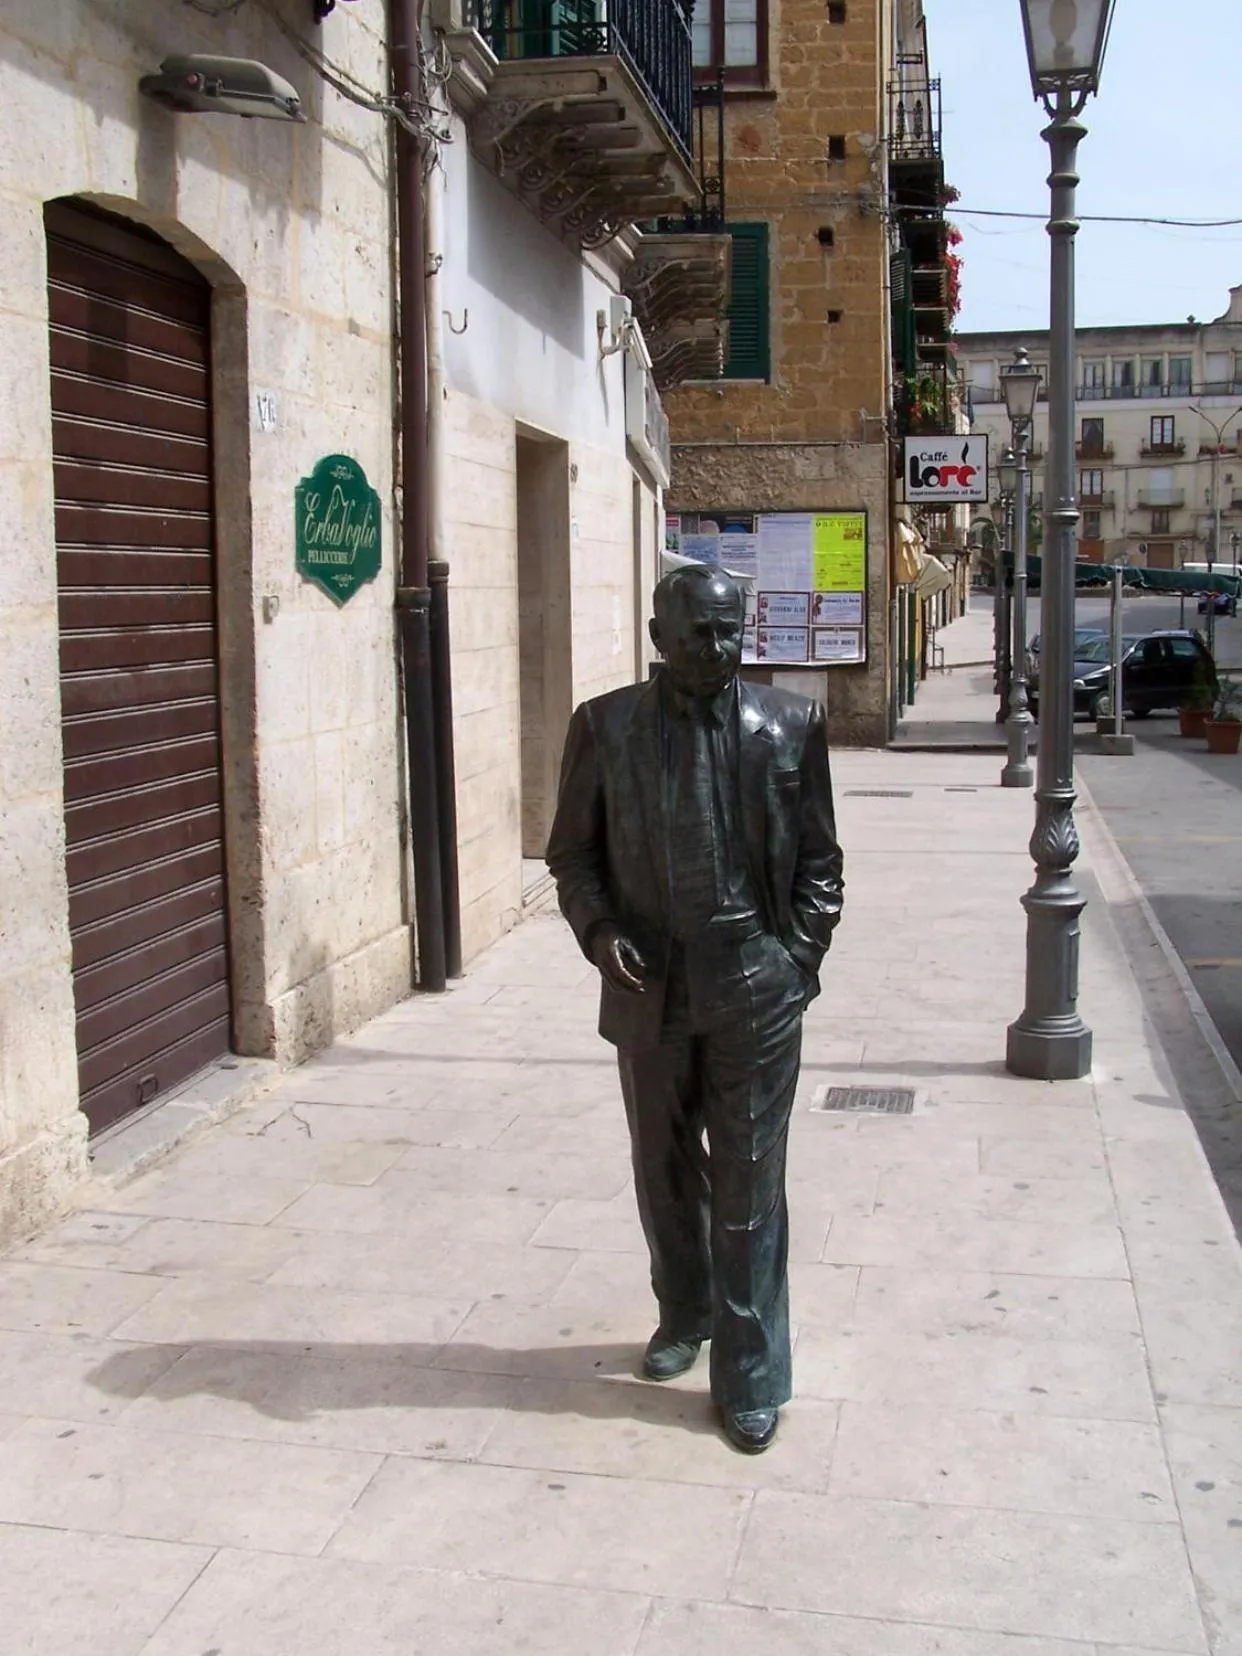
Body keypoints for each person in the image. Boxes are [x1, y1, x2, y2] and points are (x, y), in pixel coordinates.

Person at [545, 564, 844, 1453]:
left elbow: (820, 862)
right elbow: (572, 856)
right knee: (664, 1169)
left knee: (749, 1182)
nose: (717, 649)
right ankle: (685, 1310)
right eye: (698, 633)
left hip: (755, 979)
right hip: (650, 987)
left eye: (728, 631)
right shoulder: (604, 727)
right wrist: (599, 932)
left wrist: (797, 961)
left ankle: (751, 1374)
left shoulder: (790, 725)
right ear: (658, 638)